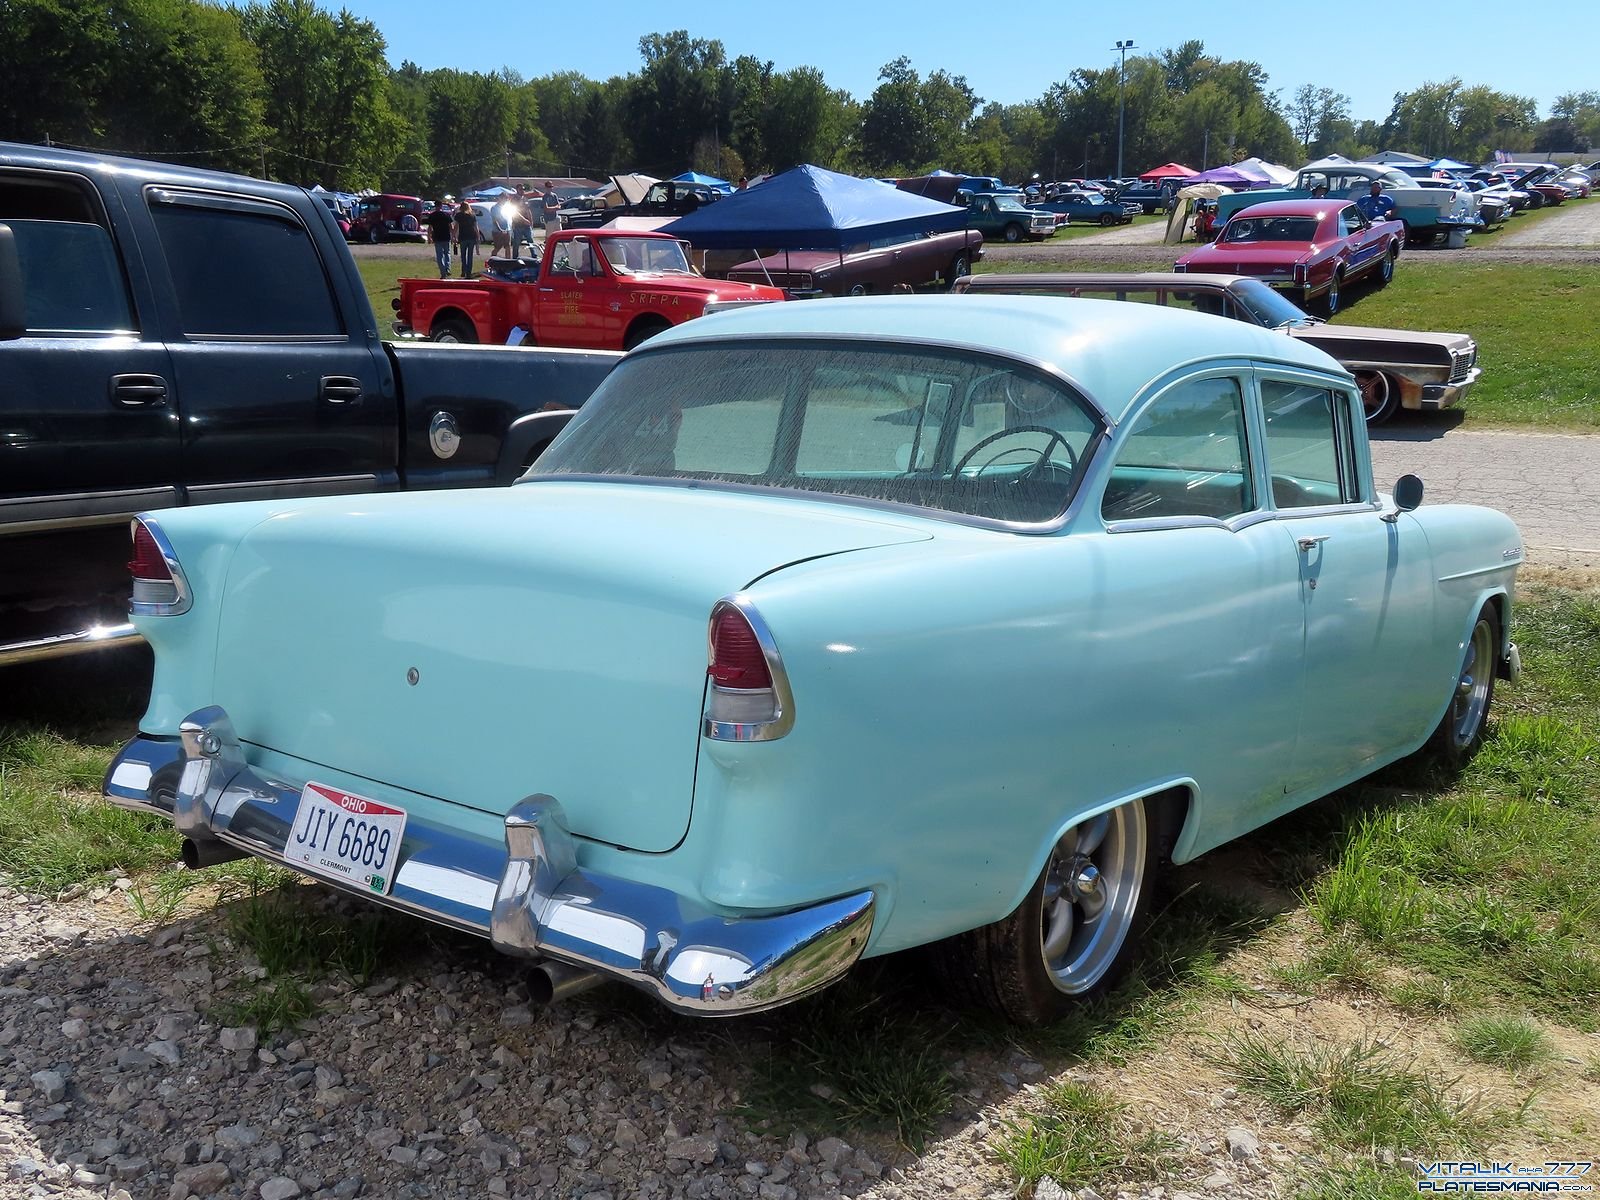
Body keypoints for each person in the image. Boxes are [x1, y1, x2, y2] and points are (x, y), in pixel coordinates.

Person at [425, 199, 455, 279]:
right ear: (441, 206)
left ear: (435, 206)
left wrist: (429, 237)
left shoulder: (432, 215)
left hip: (437, 237)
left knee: (439, 255)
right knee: (447, 253)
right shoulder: (446, 215)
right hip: (446, 236)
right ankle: (447, 268)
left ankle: (443, 272)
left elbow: (430, 228)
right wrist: (453, 236)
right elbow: (451, 226)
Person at [454, 201, 479, 278]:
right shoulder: (472, 215)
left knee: (463, 255)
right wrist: (478, 236)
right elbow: (476, 227)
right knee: (470, 255)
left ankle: (463, 271)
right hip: (472, 236)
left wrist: (454, 236)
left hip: (463, 236)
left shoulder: (458, 215)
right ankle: (469, 272)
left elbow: (456, 226)